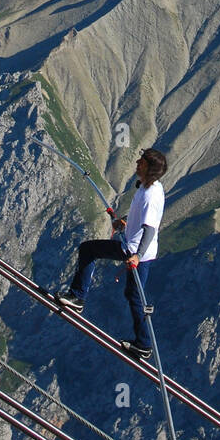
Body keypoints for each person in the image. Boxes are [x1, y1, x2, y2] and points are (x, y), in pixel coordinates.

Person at [55, 148, 167, 360]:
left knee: (88, 250)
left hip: (133, 250)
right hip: (138, 250)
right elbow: (141, 217)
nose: (137, 162)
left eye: (141, 162)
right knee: (134, 295)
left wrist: (136, 255)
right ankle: (143, 344)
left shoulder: (151, 194)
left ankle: (78, 297)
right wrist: (124, 220)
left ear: (149, 168)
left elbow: (150, 228)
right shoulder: (150, 187)